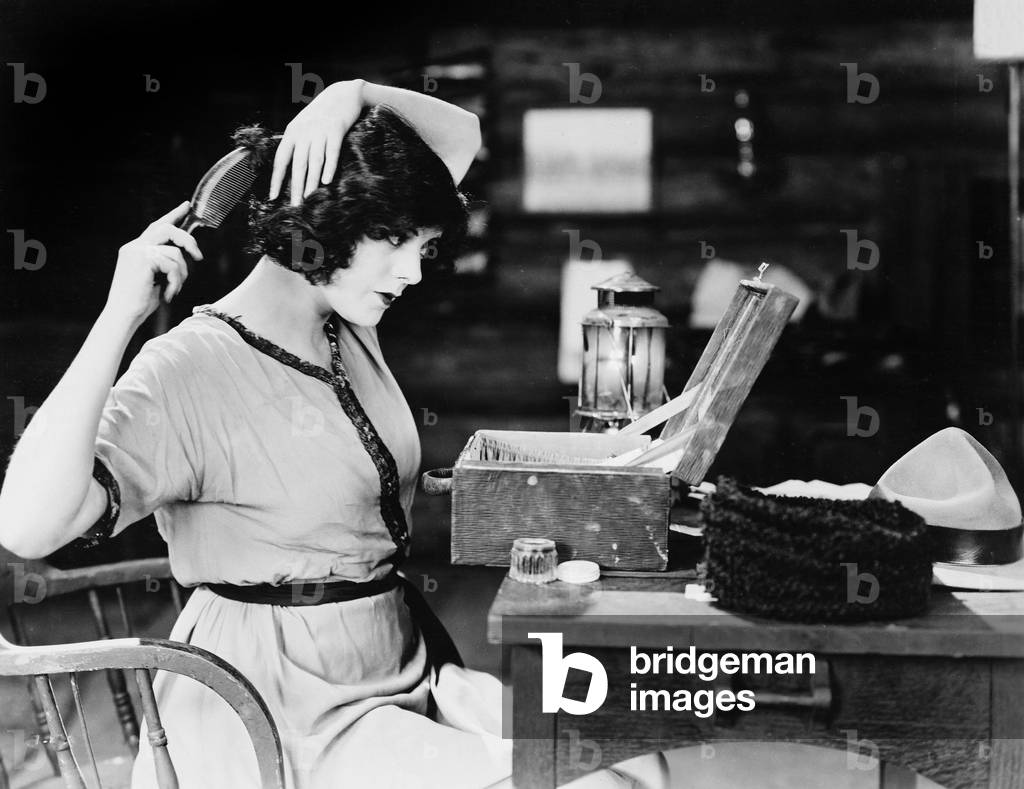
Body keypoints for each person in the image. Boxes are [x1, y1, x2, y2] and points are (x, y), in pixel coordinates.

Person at [0, 80, 669, 788]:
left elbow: (461, 138)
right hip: (276, 712)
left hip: (396, 672)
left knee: (629, 758)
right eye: (395, 242)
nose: (413, 272)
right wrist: (118, 319)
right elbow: (26, 525)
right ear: (327, 222)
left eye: (425, 246)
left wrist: (352, 95)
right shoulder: (191, 366)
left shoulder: (345, 323)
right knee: (583, 779)